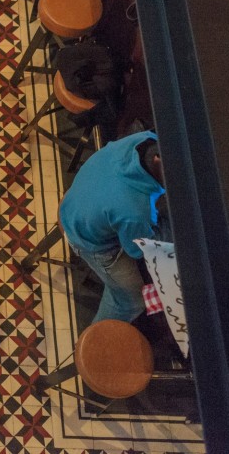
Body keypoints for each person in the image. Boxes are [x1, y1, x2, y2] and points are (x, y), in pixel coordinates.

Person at [59, 130, 165, 323]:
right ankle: (98, 333)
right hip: (87, 242)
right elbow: (137, 251)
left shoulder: (143, 138)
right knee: (132, 301)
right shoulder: (135, 211)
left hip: (75, 200)